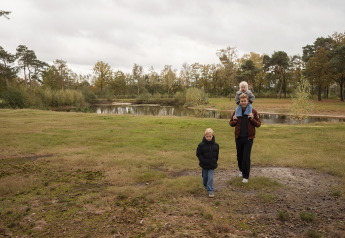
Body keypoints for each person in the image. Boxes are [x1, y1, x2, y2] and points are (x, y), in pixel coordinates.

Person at [229, 93, 261, 183]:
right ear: (239, 101)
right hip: (238, 137)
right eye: (241, 101)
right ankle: (241, 170)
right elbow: (231, 123)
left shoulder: (253, 111)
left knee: (246, 157)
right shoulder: (236, 111)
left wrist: (252, 119)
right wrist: (234, 121)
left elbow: (258, 124)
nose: (243, 102)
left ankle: (245, 176)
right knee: (239, 156)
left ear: (248, 101)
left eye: (245, 101)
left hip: (248, 138)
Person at [196, 128, 219, 198]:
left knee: (210, 178)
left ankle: (211, 190)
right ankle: (205, 185)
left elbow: (217, 154)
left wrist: (215, 161)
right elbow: (198, 154)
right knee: (205, 178)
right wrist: (203, 160)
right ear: (204, 136)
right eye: (207, 136)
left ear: (212, 136)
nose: (208, 138)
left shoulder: (216, 145)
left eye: (210, 136)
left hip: (212, 165)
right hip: (204, 165)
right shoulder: (201, 145)